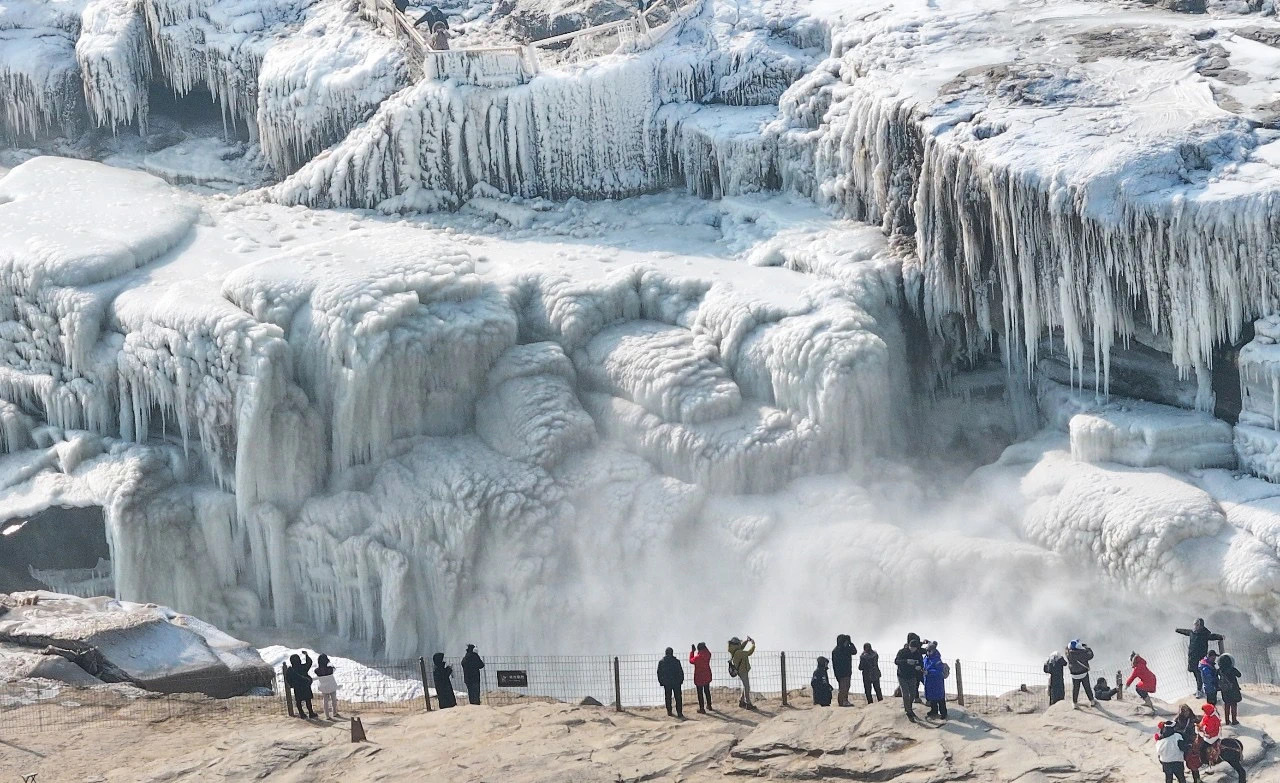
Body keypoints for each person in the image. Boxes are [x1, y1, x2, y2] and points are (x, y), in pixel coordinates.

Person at [1176, 619, 1223, 698]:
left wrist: (1220, 636)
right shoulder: (1192, 632)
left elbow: (1212, 636)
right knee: (1195, 673)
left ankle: (1200, 690)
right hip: (1192, 658)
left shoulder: (1204, 634)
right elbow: (1185, 632)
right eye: (1195, 625)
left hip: (1200, 658)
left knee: (1199, 674)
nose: (1195, 626)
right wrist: (1177, 630)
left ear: (1201, 626)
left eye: (1197, 625)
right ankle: (1200, 689)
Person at [893, 637, 924, 721]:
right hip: (902, 676)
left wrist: (919, 667)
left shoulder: (917, 654)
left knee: (913, 694)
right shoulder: (902, 652)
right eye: (911, 647)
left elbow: (921, 663)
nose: (913, 649)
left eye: (914, 648)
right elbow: (896, 661)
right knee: (905, 694)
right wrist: (906, 661)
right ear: (909, 646)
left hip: (912, 676)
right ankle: (908, 711)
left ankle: (909, 707)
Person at [1065, 640, 1097, 706]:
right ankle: (1091, 700)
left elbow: (1066, 649)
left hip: (1074, 674)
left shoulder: (1069, 654)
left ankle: (1074, 703)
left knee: (1075, 688)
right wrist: (1086, 647)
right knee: (1087, 687)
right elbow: (1091, 655)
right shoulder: (1083, 653)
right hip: (1083, 673)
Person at [286, 652, 317, 719]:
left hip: (297, 687)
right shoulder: (303, 667)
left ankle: (302, 714)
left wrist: (292, 685)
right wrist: (306, 655)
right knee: (308, 700)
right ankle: (311, 713)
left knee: (298, 701)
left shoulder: (291, 670)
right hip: (305, 686)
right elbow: (309, 663)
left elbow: (288, 679)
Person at [921, 641, 947, 720]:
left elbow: (939, 672)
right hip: (929, 681)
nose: (928, 652)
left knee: (940, 698)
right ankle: (934, 710)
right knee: (932, 697)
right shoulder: (926, 658)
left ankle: (943, 713)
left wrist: (929, 672)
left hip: (937, 682)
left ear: (934, 650)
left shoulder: (937, 660)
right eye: (927, 651)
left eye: (930, 651)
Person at [728, 636, 756, 709]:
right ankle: (748, 703)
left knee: (745, 685)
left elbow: (741, 646)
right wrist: (753, 644)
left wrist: (747, 641)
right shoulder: (739, 652)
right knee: (747, 687)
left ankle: (742, 701)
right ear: (736, 644)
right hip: (743, 670)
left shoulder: (734, 650)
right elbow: (749, 652)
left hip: (740, 670)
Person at [657, 647, 685, 718]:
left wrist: (661, 682)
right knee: (678, 697)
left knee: (668, 697)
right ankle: (679, 712)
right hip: (676, 682)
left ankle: (669, 711)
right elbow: (681, 672)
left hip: (667, 682)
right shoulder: (676, 661)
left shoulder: (662, 662)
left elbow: (659, 673)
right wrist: (681, 680)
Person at [1217, 652, 1242, 725]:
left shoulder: (1220, 670)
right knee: (1234, 705)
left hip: (1224, 690)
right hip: (1233, 689)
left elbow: (1216, 674)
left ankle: (1227, 721)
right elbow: (1239, 675)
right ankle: (1234, 720)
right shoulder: (1232, 669)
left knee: (1227, 704)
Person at [831, 635, 855, 707]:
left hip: (840, 672)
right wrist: (851, 643)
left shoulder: (835, 650)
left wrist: (850, 644)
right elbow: (854, 651)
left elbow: (854, 651)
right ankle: (843, 701)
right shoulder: (844, 649)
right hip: (844, 672)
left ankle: (842, 701)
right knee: (844, 687)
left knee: (844, 687)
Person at [314, 653, 339, 720]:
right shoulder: (330, 669)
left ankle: (327, 715)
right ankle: (334, 712)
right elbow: (334, 668)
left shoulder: (317, 671)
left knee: (325, 701)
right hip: (332, 687)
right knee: (334, 700)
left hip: (324, 688)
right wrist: (329, 663)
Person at [689, 642, 712, 714]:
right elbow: (708, 652)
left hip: (699, 677)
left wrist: (692, 651)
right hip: (707, 675)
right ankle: (709, 705)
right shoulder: (708, 654)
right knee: (707, 691)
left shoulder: (697, 658)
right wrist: (704, 647)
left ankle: (702, 708)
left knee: (700, 693)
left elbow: (691, 660)